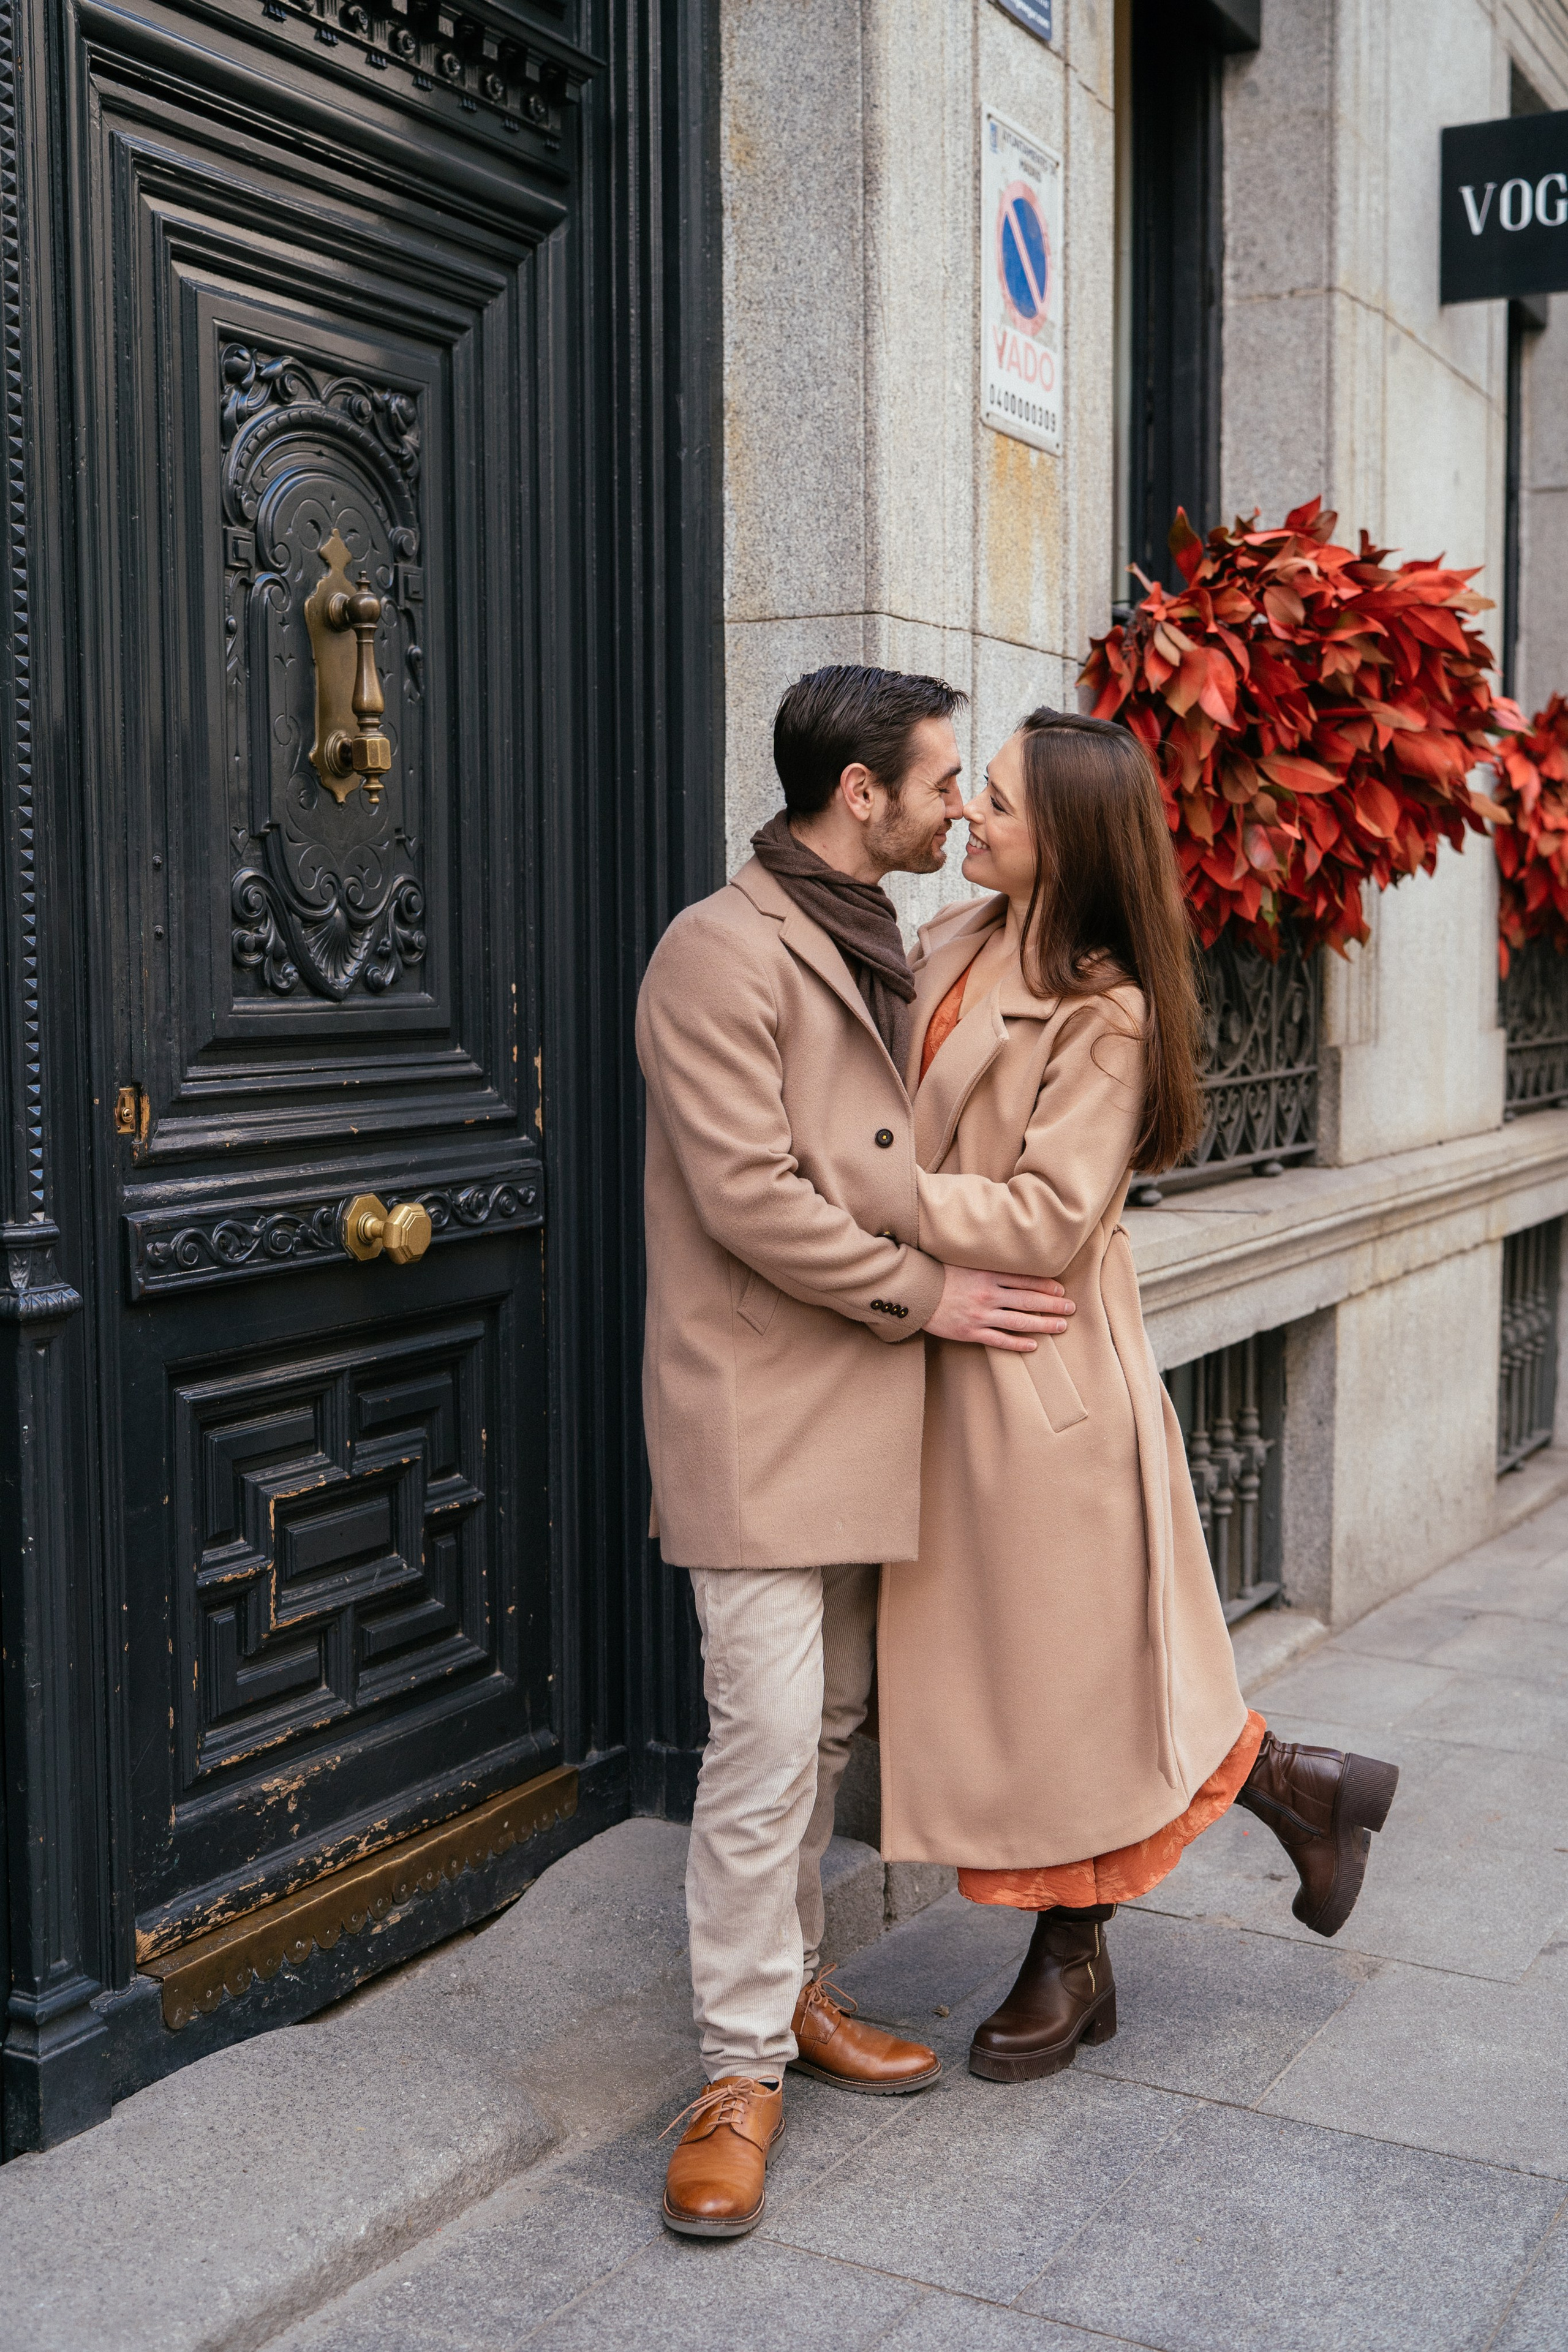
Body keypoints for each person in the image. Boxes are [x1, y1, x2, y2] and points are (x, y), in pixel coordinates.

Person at [877, 709, 1401, 2083]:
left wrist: (871, 1198)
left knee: (1055, 1686)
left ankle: (1069, 1959)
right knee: (1049, 1680)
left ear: (1064, 840)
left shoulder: (1104, 1009)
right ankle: (1293, 1792)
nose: (965, 816)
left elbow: (1045, 1216)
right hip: (946, 1365)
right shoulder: (947, 940)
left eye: (991, 800)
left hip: (1035, 1377)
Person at [636, 666, 1077, 2239]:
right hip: (761, 1406)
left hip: (872, 1411)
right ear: (858, 794)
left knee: (819, 1731)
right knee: (759, 1751)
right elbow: (750, 1195)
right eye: (943, 780)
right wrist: (932, 1290)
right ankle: (735, 2071)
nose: (962, 805)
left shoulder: (899, 929)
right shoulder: (716, 949)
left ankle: (797, 1991)